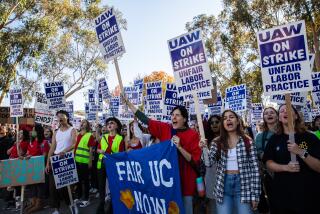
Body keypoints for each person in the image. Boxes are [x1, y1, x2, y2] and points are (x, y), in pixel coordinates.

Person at [123, 95, 201, 214]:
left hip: (185, 184)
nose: (173, 117)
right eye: (172, 115)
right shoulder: (166, 129)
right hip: (167, 184)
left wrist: (179, 147)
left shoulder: (193, 135)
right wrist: (129, 104)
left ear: (185, 119)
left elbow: (194, 161)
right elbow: (146, 120)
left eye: (177, 115)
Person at [199, 110, 260, 214]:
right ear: (223, 124)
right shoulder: (216, 142)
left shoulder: (247, 141)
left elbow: (255, 170)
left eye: (231, 117)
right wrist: (204, 149)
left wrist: (255, 195)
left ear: (237, 121)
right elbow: (208, 163)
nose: (228, 119)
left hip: (243, 186)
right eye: (225, 118)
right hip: (223, 186)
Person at [263, 104, 320, 213]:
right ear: (279, 118)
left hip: (309, 196)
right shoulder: (274, 139)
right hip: (283, 197)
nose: (285, 112)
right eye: (282, 111)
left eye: (288, 109)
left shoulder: (310, 137)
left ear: (296, 116)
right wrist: (286, 168)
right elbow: (268, 162)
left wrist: (300, 152)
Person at [45, 110, 76, 214]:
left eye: (61, 115)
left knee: (64, 186)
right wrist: (48, 163)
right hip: (55, 159)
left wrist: (64, 151)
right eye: (58, 116)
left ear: (66, 117)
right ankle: (56, 209)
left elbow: (73, 144)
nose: (60, 117)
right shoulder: (56, 132)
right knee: (53, 187)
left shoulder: (72, 130)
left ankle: (70, 204)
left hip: (66, 159)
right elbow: (52, 148)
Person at [96, 117, 125, 214]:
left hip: (113, 166)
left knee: (113, 187)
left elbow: (121, 154)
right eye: (108, 123)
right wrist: (101, 151)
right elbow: (98, 149)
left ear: (116, 126)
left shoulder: (120, 138)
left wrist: (109, 154)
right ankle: (101, 206)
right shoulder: (103, 137)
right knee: (101, 187)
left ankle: (112, 208)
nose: (109, 124)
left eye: (112, 123)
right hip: (101, 165)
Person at [254, 107, 278, 213]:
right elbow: (257, 154)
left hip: (288, 172)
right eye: (266, 113)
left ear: (277, 116)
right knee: (274, 202)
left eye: (272, 112)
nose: (269, 115)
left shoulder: (286, 132)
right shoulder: (259, 136)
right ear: (263, 117)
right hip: (269, 175)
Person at [24, 124, 50, 213]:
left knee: (40, 186)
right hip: (32, 167)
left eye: (34, 130)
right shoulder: (31, 141)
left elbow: (44, 156)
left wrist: (32, 156)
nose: (32, 132)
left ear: (38, 131)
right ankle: (34, 202)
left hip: (40, 167)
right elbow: (28, 152)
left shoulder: (44, 143)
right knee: (33, 185)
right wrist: (26, 155)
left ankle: (39, 204)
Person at [74, 119, 95, 207]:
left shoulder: (90, 135)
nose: (82, 123)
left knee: (85, 181)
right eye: (81, 122)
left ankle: (86, 199)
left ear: (87, 125)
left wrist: (90, 161)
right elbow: (76, 147)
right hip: (77, 160)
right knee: (78, 180)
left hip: (85, 161)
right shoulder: (78, 135)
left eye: (84, 122)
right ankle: (79, 196)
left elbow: (91, 149)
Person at [203, 115, 221, 214]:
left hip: (225, 177)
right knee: (214, 207)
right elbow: (206, 162)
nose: (214, 124)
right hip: (211, 177)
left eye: (217, 122)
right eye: (211, 123)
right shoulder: (205, 140)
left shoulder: (228, 138)